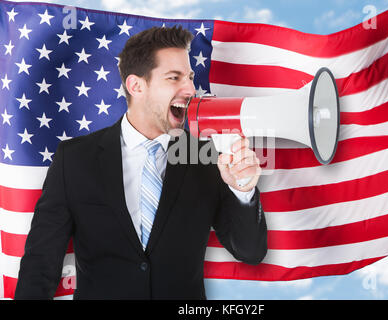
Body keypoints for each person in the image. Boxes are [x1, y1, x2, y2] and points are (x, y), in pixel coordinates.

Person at [14, 26, 267, 300]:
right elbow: (40, 265)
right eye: (174, 77)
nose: (191, 89)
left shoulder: (207, 155)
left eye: (191, 77)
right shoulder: (74, 160)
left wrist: (243, 189)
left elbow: (250, 252)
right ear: (136, 86)